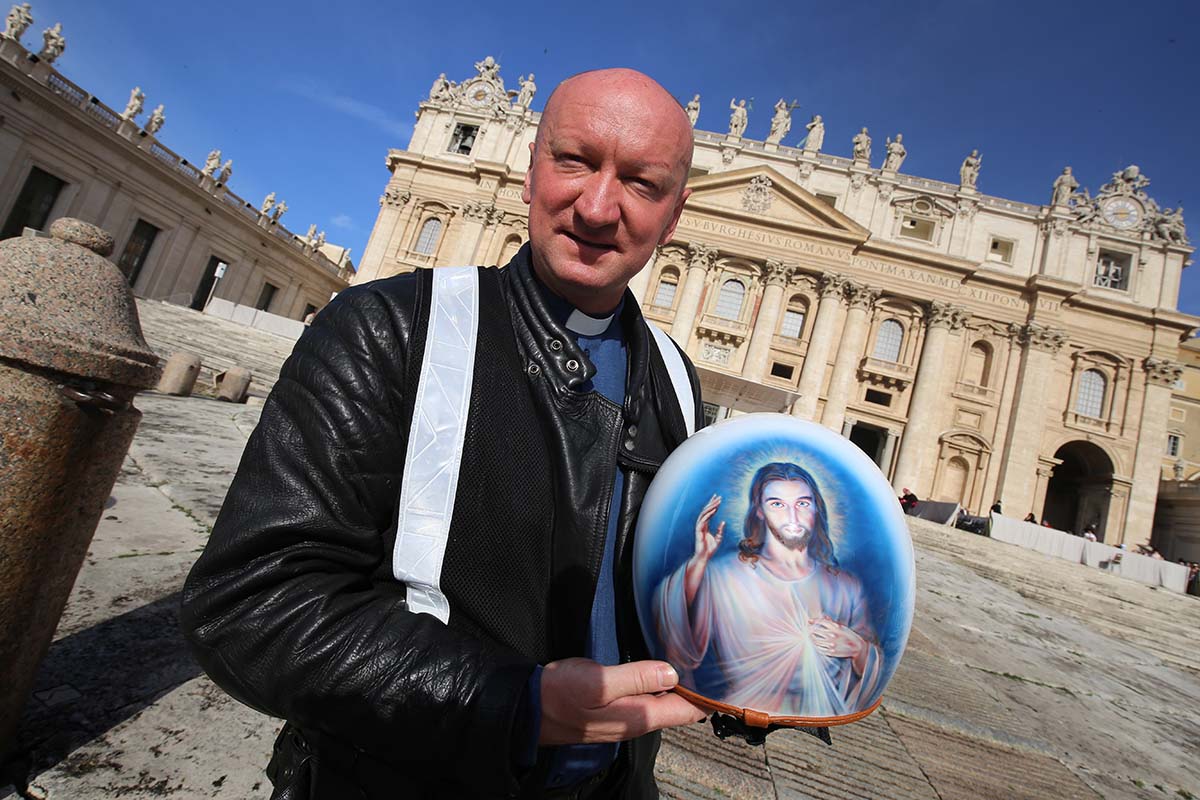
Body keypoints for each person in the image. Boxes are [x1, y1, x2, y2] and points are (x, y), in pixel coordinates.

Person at [181, 69, 706, 799]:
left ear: (673, 218)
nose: (596, 207)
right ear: (530, 169)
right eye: (575, 161)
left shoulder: (677, 381)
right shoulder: (387, 330)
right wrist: (508, 704)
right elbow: (253, 604)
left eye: (642, 184)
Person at [653, 462, 882, 718]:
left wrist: (859, 649)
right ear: (759, 511)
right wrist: (699, 563)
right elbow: (674, 628)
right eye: (777, 504)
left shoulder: (847, 587)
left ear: (817, 508)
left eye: (802, 503)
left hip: (822, 715)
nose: (792, 516)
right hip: (741, 707)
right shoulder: (724, 575)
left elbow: (875, 665)